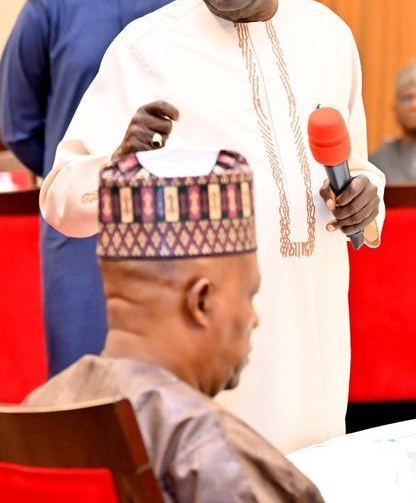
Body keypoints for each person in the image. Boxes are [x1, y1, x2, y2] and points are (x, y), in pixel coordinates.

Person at [40, 0, 384, 452]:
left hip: (316, 322)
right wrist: (117, 168)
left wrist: (368, 199)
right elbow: (60, 199)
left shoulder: (329, 35)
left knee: (317, 472)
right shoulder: (146, 49)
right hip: (208, 341)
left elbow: (356, 169)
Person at [25, 149, 324, 502]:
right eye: (249, 295)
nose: (253, 318)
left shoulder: (40, 409)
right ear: (201, 302)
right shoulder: (209, 455)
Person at [0, 0, 192, 376]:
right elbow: (21, 125)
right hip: (81, 228)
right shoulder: (47, 10)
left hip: (175, 219)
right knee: (85, 378)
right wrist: (82, 179)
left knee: (175, 377)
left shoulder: (188, 3)